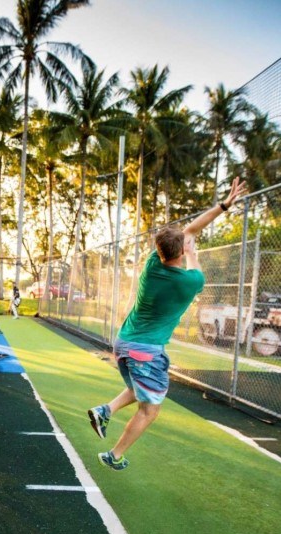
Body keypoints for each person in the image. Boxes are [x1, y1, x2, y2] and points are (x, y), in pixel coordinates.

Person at [89, 177, 248, 471]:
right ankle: (114, 455)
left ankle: (105, 410)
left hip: (124, 343)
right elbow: (194, 254)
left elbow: (191, 230)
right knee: (149, 410)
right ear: (182, 251)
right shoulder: (191, 281)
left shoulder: (152, 265)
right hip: (146, 351)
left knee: (139, 388)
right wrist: (193, 254)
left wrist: (224, 205)